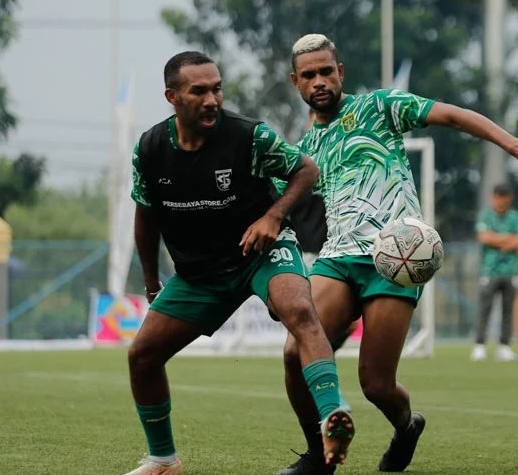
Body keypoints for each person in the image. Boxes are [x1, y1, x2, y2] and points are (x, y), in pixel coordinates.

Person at [278, 33, 518, 475]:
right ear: (295, 82)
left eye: (326, 71)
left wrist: (514, 146)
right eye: (309, 75)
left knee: (375, 384)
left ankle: (406, 425)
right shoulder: (305, 150)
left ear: (341, 73)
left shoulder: (379, 107)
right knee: (294, 353)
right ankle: (319, 456)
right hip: (337, 257)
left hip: (397, 257)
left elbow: (452, 115)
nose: (319, 81)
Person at [124, 51, 354, 475]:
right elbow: (146, 216)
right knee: (141, 356)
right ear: (172, 97)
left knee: (300, 310)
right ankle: (162, 460)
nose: (212, 99)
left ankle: (330, 417)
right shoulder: (151, 149)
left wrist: (272, 216)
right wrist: (152, 281)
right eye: (199, 91)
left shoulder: (250, 136)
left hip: (260, 253)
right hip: (200, 274)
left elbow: (307, 170)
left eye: (217, 88)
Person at [470, 183, 518, 362]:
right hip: (489, 270)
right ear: (493, 197)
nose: (502, 200)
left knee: (508, 310)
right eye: (499, 196)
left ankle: (504, 346)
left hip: (511, 270)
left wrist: (497, 239)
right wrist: (507, 238)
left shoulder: (515, 217)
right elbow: (484, 237)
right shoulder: (485, 215)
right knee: (485, 308)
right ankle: (480, 345)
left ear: (510, 198)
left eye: (505, 196)